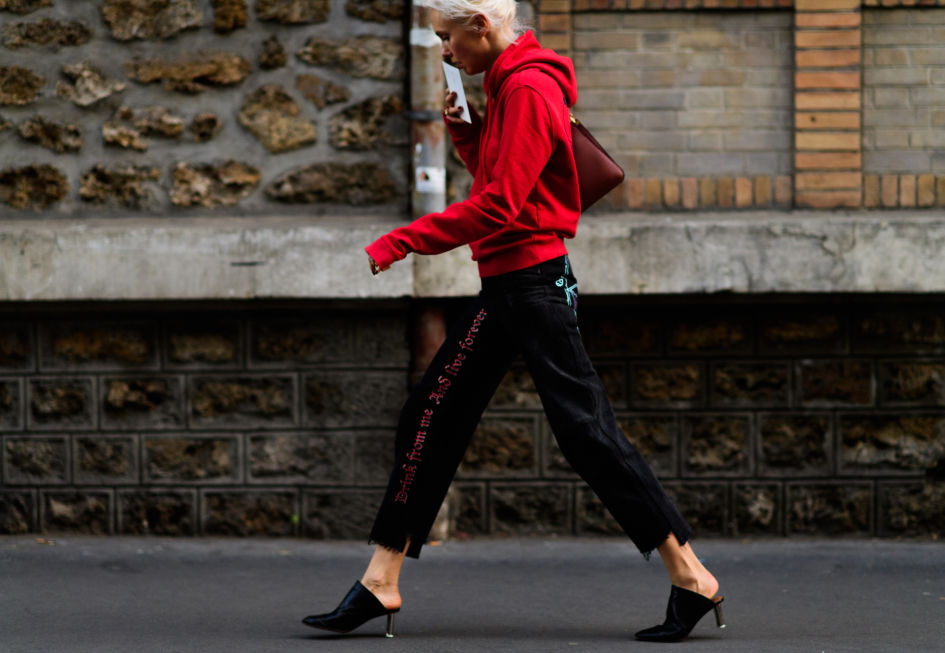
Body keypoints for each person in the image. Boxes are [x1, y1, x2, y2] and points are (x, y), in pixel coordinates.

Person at [301, 0, 724, 643]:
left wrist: (405, 240)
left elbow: (501, 205)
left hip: (532, 288)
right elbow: (506, 185)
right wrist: (468, 134)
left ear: (481, 22)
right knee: (432, 414)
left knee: (587, 434)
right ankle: (380, 581)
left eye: (448, 38)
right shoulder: (504, 83)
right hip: (509, 287)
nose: (444, 53)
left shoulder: (526, 85)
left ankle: (692, 575)